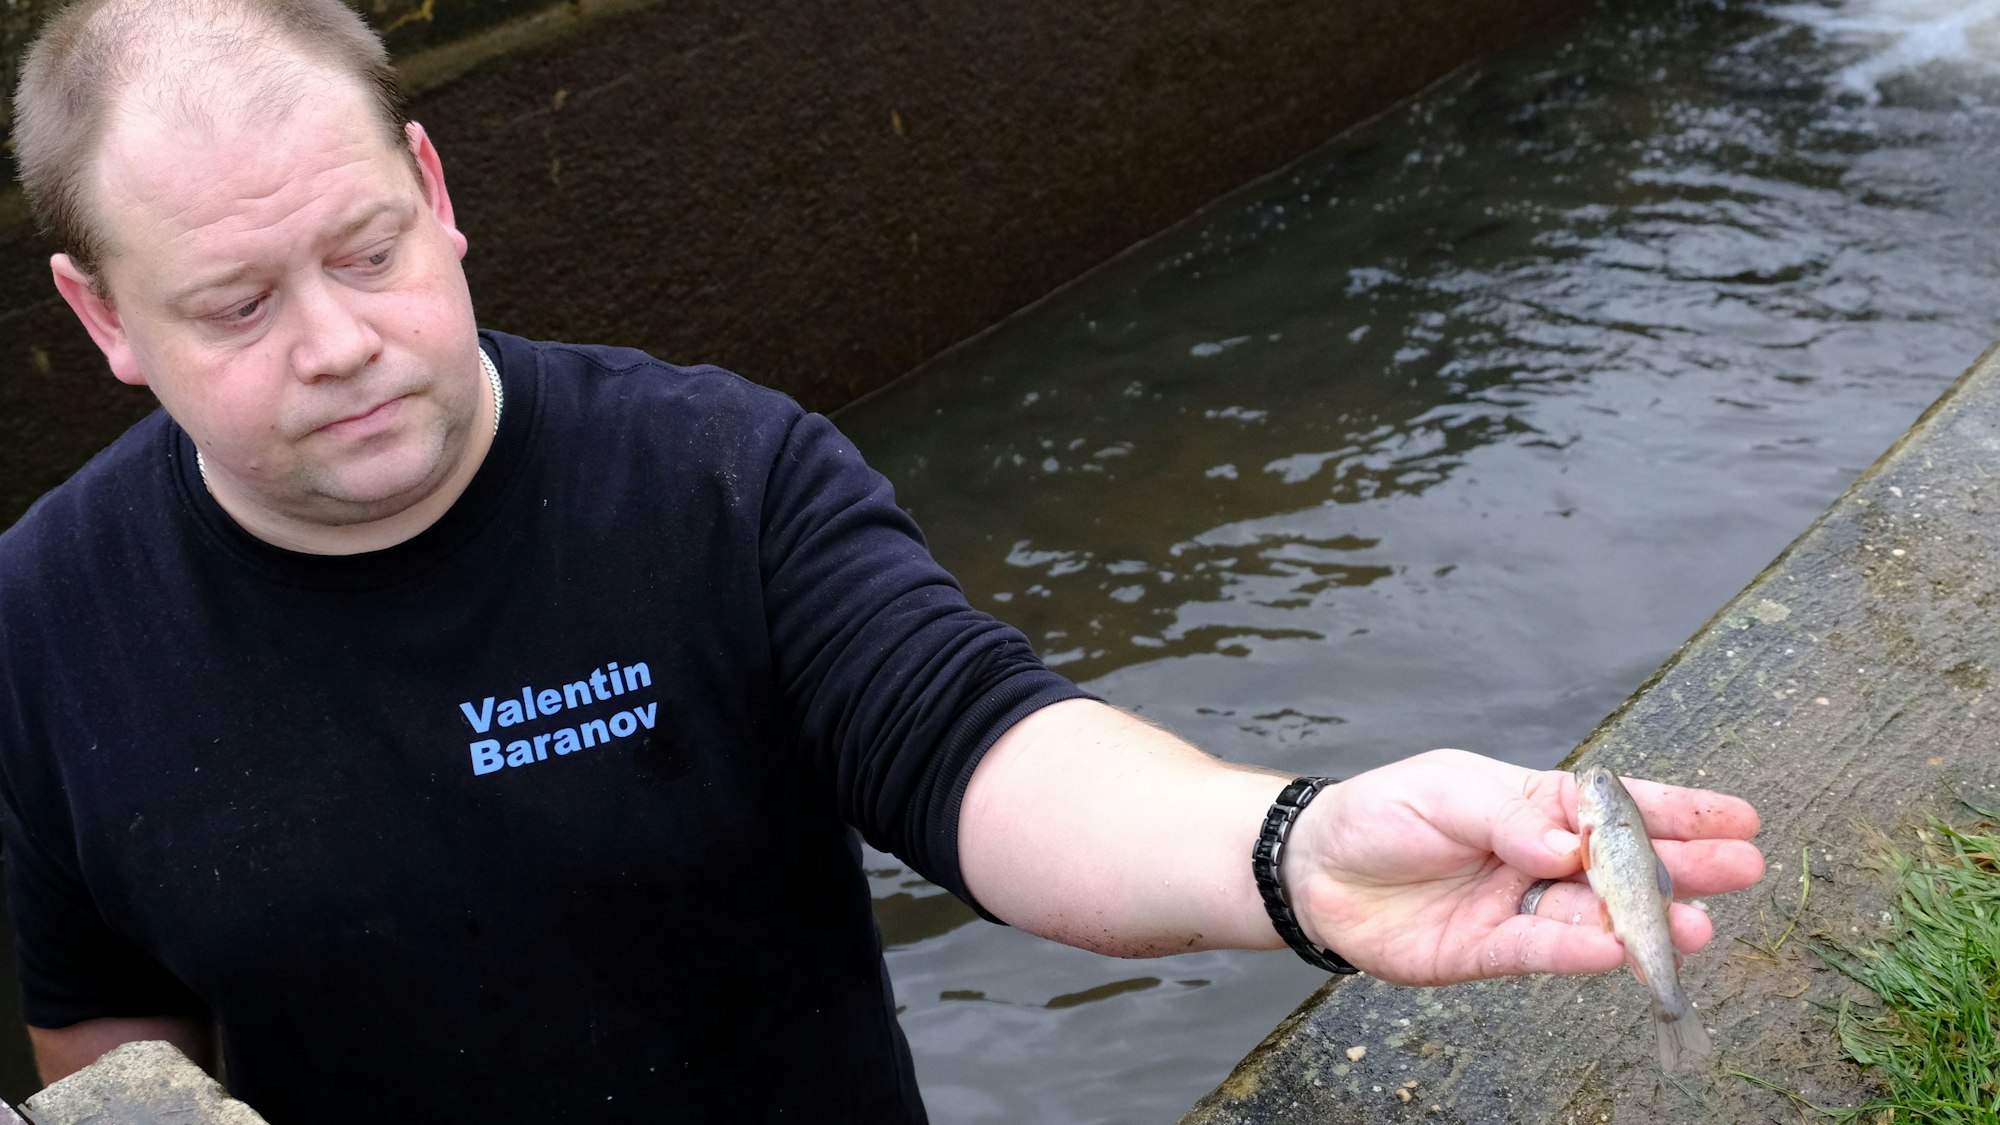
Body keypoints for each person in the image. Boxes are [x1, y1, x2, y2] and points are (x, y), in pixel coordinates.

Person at [0, 0, 1765, 1120]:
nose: (336, 342)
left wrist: (1297, 850)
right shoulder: (36, 626)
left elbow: (985, 750)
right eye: (237, 303)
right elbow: (102, 1038)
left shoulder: (717, 472)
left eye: (369, 249)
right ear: (104, 318)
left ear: (435, 182)